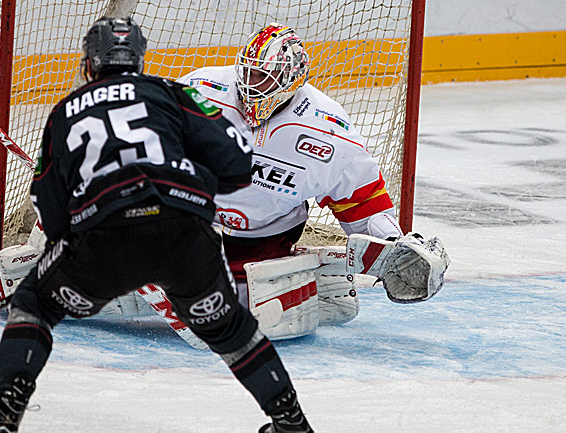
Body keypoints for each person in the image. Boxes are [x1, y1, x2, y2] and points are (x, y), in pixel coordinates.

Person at [0, 17, 325, 433]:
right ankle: (291, 423)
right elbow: (238, 163)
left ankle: (6, 411)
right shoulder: (173, 93)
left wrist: (75, 248)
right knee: (229, 327)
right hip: (185, 235)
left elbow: (50, 207)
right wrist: (192, 185)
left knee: (35, 304)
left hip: (104, 239)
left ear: (89, 63)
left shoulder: (65, 112)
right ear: (139, 58)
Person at [179, 23, 447, 321]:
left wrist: (393, 245)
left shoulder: (326, 128)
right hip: (191, 223)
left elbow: (361, 200)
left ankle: (300, 282)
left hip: (264, 240)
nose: (249, 84)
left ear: (290, 80)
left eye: (263, 76)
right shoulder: (199, 89)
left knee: (239, 307)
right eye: (247, 72)